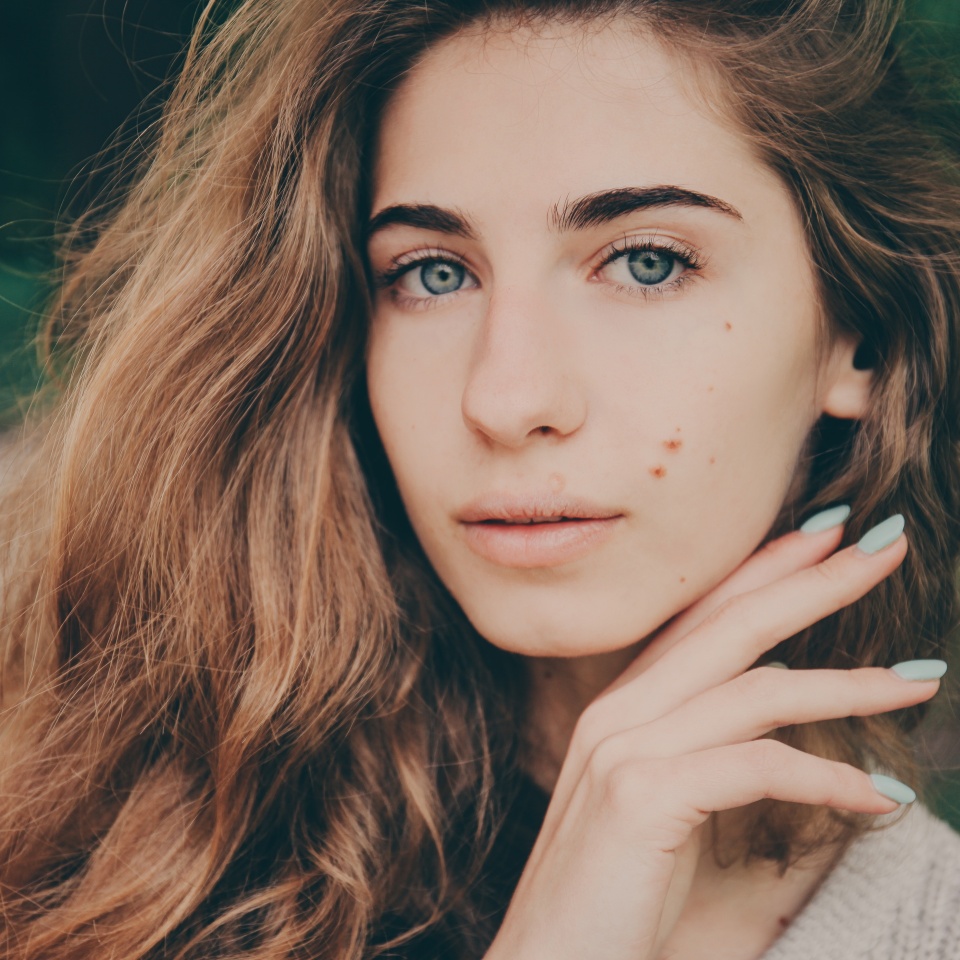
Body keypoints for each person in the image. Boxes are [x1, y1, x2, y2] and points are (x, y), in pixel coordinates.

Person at [1, 0, 959, 957]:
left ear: (858, 332)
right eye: (433, 274)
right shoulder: (98, 829)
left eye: (647, 261)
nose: (505, 398)